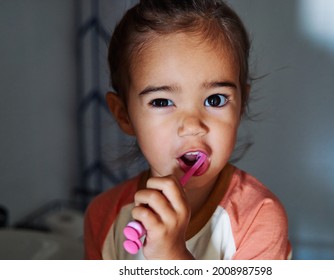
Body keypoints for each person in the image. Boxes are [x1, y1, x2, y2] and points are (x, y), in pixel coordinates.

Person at [84, 0, 291, 260]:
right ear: (124, 115)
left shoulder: (259, 218)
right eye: (161, 102)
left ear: (241, 106)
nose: (193, 126)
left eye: (215, 100)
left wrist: (171, 256)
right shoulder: (103, 216)